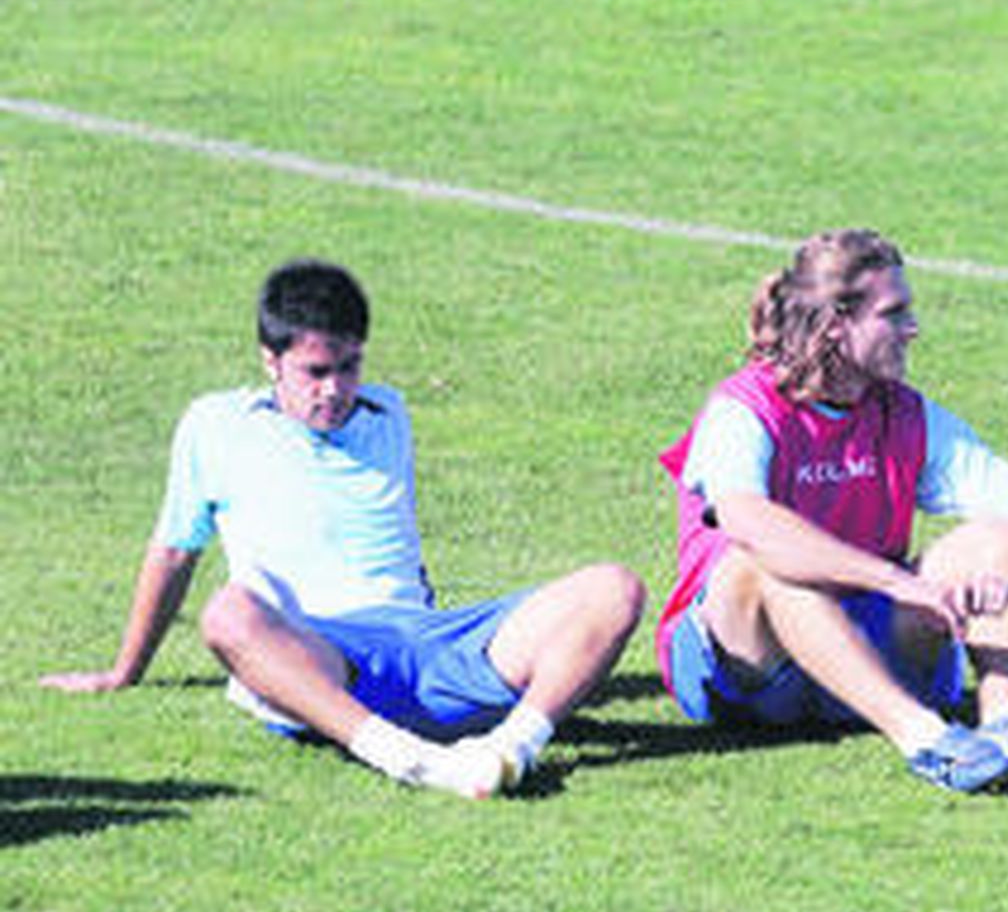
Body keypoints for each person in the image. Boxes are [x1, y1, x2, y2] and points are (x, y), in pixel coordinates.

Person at [40, 259, 644, 799]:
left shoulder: (389, 412)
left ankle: (508, 750)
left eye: (349, 366)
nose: (335, 389)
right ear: (269, 361)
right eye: (316, 371)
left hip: (430, 643)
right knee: (226, 614)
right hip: (321, 658)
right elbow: (174, 552)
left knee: (614, 588)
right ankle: (410, 761)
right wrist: (124, 673)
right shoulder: (214, 426)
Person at [656, 229, 1008, 793]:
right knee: (765, 563)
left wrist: (1007, 573)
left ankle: (1005, 724)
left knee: (994, 538)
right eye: (893, 314)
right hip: (752, 668)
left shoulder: (904, 413)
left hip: (867, 649)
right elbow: (748, 519)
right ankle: (925, 739)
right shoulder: (742, 409)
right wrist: (895, 580)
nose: (913, 328)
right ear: (835, 327)